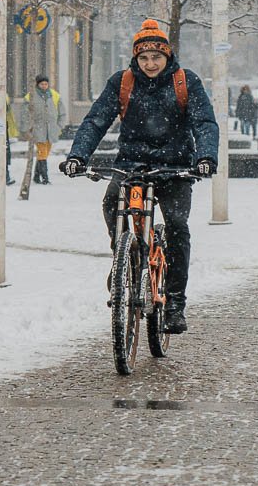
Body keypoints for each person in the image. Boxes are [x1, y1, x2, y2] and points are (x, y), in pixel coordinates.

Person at [61, 19, 218, 334]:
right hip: (132, 164)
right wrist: (78, 155)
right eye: (144, 57)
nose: (150, 63)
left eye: (156, 57)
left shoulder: (185, 81)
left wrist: (205, 157)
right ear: (136, 57)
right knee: (111, 201)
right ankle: (123, 258)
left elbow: (204, 122)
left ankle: (174, 303)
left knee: (177, 226)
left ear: (167, 56)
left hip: (175, 167)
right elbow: (96, 120)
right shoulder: (123, 82)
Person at [20, 75, 67, 185]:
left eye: (46, 84)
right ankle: (45, 178)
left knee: (44, 153)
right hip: (37, 130)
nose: (44, 86)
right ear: (37, 84)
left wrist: (59, 127)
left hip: (51, 130)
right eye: (42, 84)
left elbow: (62, 113)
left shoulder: (55, 95)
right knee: (42, 152)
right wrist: (26, 129)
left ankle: (36, 176)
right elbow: (24, 114)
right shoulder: (30, 96)